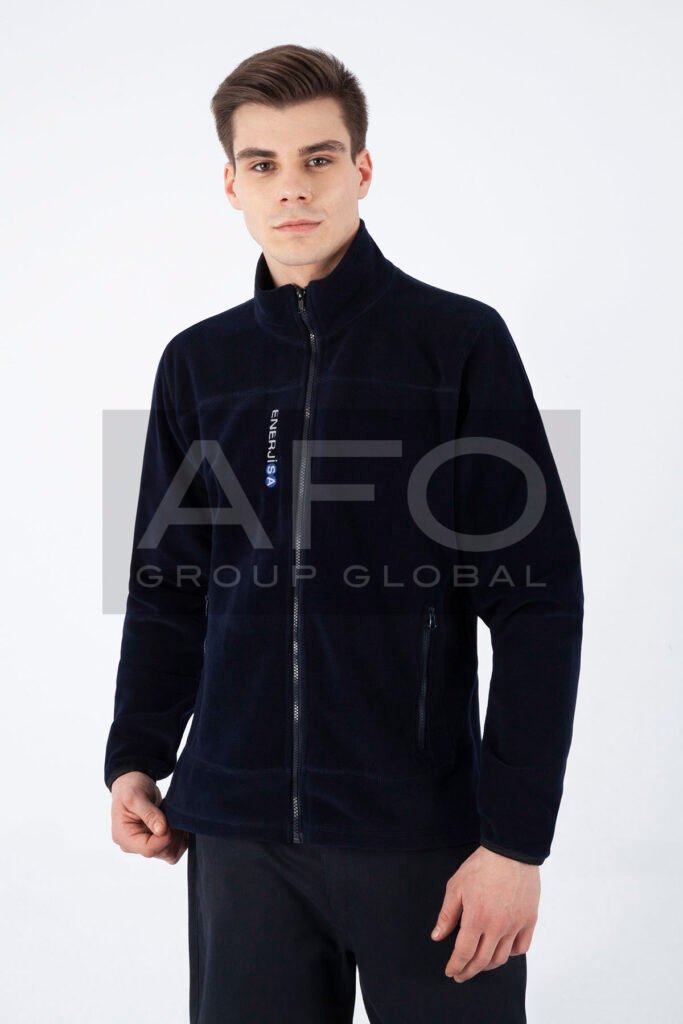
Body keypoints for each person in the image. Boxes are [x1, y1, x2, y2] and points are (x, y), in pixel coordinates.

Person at [105, 43, 584, 1023]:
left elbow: (537, 602)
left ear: (360, 170)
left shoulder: (457, 344)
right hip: (237, 839)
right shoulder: (198, 365)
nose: (292, 186)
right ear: (231, 184)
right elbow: (169, 587)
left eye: (317, 158)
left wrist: (514, 842)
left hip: (425, 839)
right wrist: (135, 754)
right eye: (263, 164)